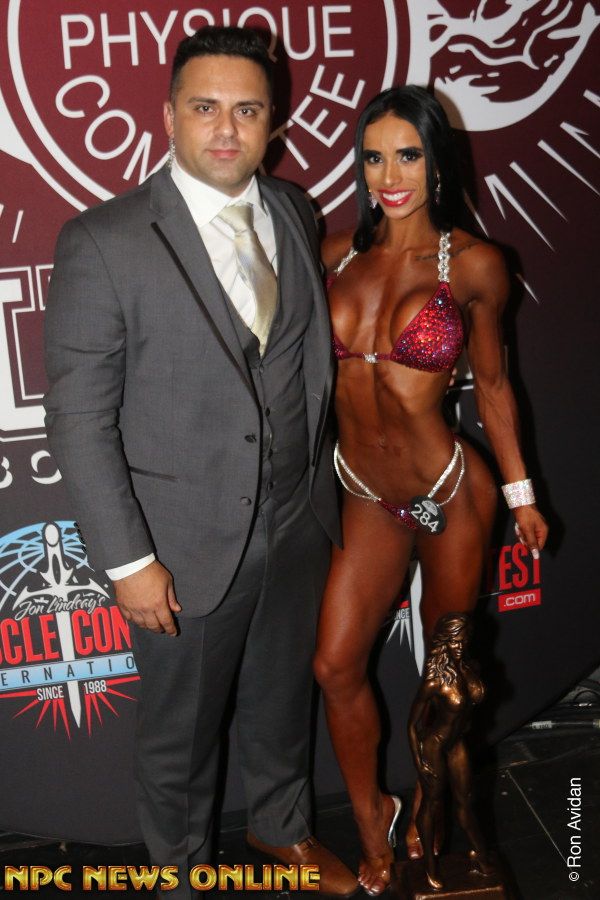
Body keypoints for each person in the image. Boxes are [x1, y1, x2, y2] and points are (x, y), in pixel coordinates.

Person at [44, 26, 358, 900]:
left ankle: (281, 826)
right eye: (205, 108)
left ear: (273, 121)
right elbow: (78, 419)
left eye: (247, 110)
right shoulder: (103, 240)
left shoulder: (292, 210)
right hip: (181, 545)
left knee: (281, 697)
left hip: (297, 519)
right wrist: (129, 562)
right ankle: (180, 877)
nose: (227, 129)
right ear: (169, 116)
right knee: (180, 733)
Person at [313, 85, 548, 896]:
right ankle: (371, 813)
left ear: (438, 161)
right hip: (365, 494)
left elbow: (494, 387)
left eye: (407, 155)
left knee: (443, 686)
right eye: (374, 157)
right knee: (334, 664)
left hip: (449, 494)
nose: (390, 176)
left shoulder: (475, 264)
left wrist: (521, 494)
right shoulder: (333, 255)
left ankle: (429, 809)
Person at [408, 613, 492, 891]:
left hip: (457, 743)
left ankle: (481, 856)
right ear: (444, 641)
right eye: (455, 640)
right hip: (434, 745)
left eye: (464, 639)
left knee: (465, 802)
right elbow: (413, 725)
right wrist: (419, 760)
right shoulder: (435, 679)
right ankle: (430, 865)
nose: (460, 645)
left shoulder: (470, 667)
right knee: (432, 803)